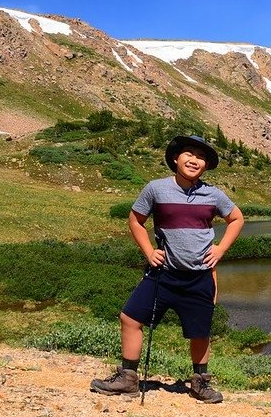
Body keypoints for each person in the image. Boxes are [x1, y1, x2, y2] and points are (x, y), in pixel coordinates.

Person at [90, 135, 244, 403]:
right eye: (188, 154)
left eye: (201, 157)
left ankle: (200, 383)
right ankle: (128, 379)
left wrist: (220, 250)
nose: (194, 160)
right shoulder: (156, 189)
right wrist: (149, 251)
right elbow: (136, 219)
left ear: (206, 165)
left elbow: (236, 218)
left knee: (200, 332)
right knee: (130, 318)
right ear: (175, 158)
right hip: (163, 274)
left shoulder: (213, 194)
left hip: (199, 275)